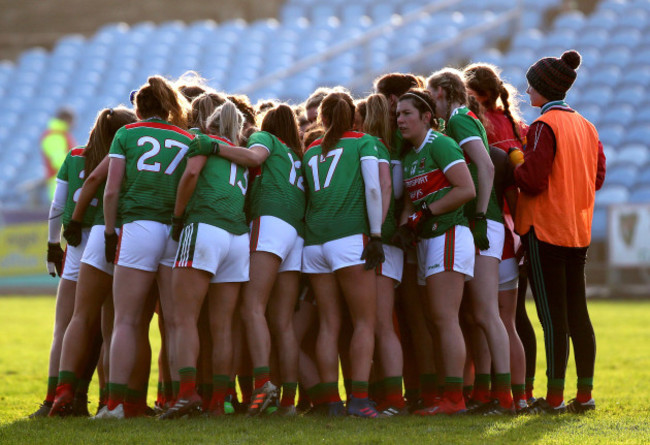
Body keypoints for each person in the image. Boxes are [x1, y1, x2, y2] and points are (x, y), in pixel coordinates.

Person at [515, 50, 606, 414]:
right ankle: (584, 394)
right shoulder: (587, 126)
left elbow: (533, 180)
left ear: (543, 88)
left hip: (544, 227)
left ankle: (552, 398)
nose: (526, 91)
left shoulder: (543, 125)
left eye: (531, 85)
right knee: (578, 314)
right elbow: (597, 177)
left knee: (552, 317)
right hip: (577, 229)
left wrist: (513, 163)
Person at [96, 75, 192, 419]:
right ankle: (180, 399)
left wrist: (110, 232)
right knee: (176, 322)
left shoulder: (126, 134)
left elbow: (111, 189)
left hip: (138, 227)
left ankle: (117, 403)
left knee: (127, 319)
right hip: (175, 231)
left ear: (139, 108)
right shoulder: (187, 136)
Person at [427, 68, 514, 414]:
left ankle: (504, 394)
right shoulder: (462, 119)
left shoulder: (460, 120)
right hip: (481, 220)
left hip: (484, 221)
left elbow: (487, 167)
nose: (430, 104)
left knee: (486, 313)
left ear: (444, 93)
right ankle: (485, 391)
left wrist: (478, 214)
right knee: (478, 315)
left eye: (432, 95)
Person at [160, 100, 249, 419]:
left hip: (205, 229)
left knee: (183, 319)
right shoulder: (241, 153)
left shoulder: (203, 143)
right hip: (238, 237)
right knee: (223, 326)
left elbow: (191, 175)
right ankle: (217, 401)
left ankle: (186, 394)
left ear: (210, 126)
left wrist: (178, 215)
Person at [47, 107, 138, 417]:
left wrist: (53, 243)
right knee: (114, 325)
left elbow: (58, 204)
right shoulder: (130, 153)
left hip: (79, 240)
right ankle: (108, 401)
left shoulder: (75, 155)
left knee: (70, 323)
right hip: (117, 235)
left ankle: (58, 396)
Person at [301, 91, 384, 417]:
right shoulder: (364, 142)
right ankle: (360, 401)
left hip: (315, 241)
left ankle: (330, 402)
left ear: (321, 118)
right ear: (353, 117)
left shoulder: (310, 151)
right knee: (364, 322)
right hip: (349, 238)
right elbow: (374, 188)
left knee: (328, 323)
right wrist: (376, 234)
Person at [394, 88, 475, 415]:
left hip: (449, 233)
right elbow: (411, 201)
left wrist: (426, 213)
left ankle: (454, 399)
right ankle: (446, 394)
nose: (400, 120)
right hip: (428, 241)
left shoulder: (439, 143)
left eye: (407, 114)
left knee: (444, 318)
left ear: (427, 117)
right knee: (437, 319)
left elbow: (466, 189)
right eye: (397, 114)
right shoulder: (410, 155)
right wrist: (403, 227)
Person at [464, 62, 531, 410]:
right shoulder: (518, 126)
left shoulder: (480, 130)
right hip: (512, 231)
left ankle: (487, 391)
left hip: (490, 230)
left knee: (483, 319)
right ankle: (519, 394)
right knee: (507, 320)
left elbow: (492, 175)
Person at [359, 94, 407, 415]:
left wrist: (376, 230)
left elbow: (386, 190)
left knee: (381, 324)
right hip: (386, 241)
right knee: (379, 323)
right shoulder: (389, 149)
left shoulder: (373, 147)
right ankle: (384, 393)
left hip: (381, 242)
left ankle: (394, 398)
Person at [41, 108, 77, 201]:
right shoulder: (55, 136)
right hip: (61, 185)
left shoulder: (60, 134)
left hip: (63, 184)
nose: (74, 124)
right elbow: (59, 162)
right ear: (67, 120)